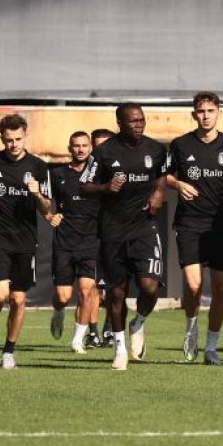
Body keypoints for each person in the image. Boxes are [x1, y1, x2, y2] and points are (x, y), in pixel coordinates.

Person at [164, 92, 223, 365]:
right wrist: (178, 184)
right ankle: (191, 329)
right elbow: (165, 176)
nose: (205, 116)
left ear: (218, 113)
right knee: (193, 285)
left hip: (219, 226)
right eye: (201, 111)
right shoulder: (180, 144)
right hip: (189, 223)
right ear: (194, 114)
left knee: (220, 287)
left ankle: (211, 347)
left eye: (210, 111)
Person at [80, 104, 168, 371]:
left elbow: (162, 175)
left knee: (150, 287)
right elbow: (84, 186)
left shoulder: (156, 149)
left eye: (141, 120)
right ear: (120, 123)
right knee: (116, 293)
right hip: (113, 231)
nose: (139, 125)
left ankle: (138, 323)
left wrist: (158, 193)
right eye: (133, 121)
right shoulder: (104, 152)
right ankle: (119, 348)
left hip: (144, 227)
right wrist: (106, 187)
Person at [0, 114, 52, 370]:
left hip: (25, 240)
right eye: (8, 140)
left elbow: (46, 207)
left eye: (17, 139)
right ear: (1, 138)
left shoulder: (38, 166)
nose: (13, 144)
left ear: (25, 135)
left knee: (17, 300)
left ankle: (8, 351)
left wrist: (37, 195)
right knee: (0, 293)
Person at [47, 131, 103, 353]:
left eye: (84, 145)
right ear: (69, 148)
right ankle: (58, 311)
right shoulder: (57, 174)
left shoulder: (100, 175)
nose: (80, 149)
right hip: (64, 242)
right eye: (76, 146)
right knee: (63, 296)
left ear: (91, 148)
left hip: (91, 242)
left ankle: (77, 339)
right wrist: (50, 215)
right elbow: (44, 201)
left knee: (87, 291)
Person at [90, 128, 117, 347]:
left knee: (113, 286)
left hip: (115, 233)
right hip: (89, 234)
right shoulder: (86, 173)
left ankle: (109, 329)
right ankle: (92, 332)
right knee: (91, 288)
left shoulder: (121, 171)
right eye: (98, 145)